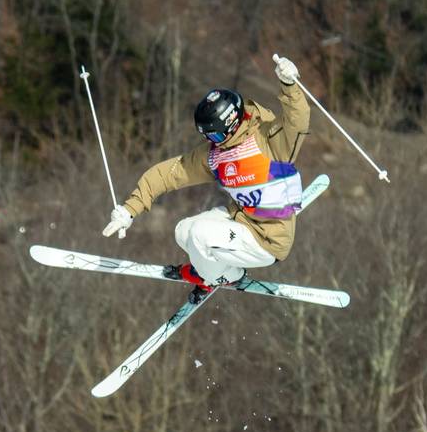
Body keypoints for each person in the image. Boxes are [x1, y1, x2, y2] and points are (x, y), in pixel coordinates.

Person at [103, 56, 311, 299]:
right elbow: (169, 173)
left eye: (212, 136)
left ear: (229, 125)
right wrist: (130, 210)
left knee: (199, 235)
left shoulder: (268, 141)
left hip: (267, 238)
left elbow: (297, 121)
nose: (209, 142)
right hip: (241, 220)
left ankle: (220, 277)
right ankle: (212, 271)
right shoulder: (216, 155)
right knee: (183, 231)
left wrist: (290, 85)